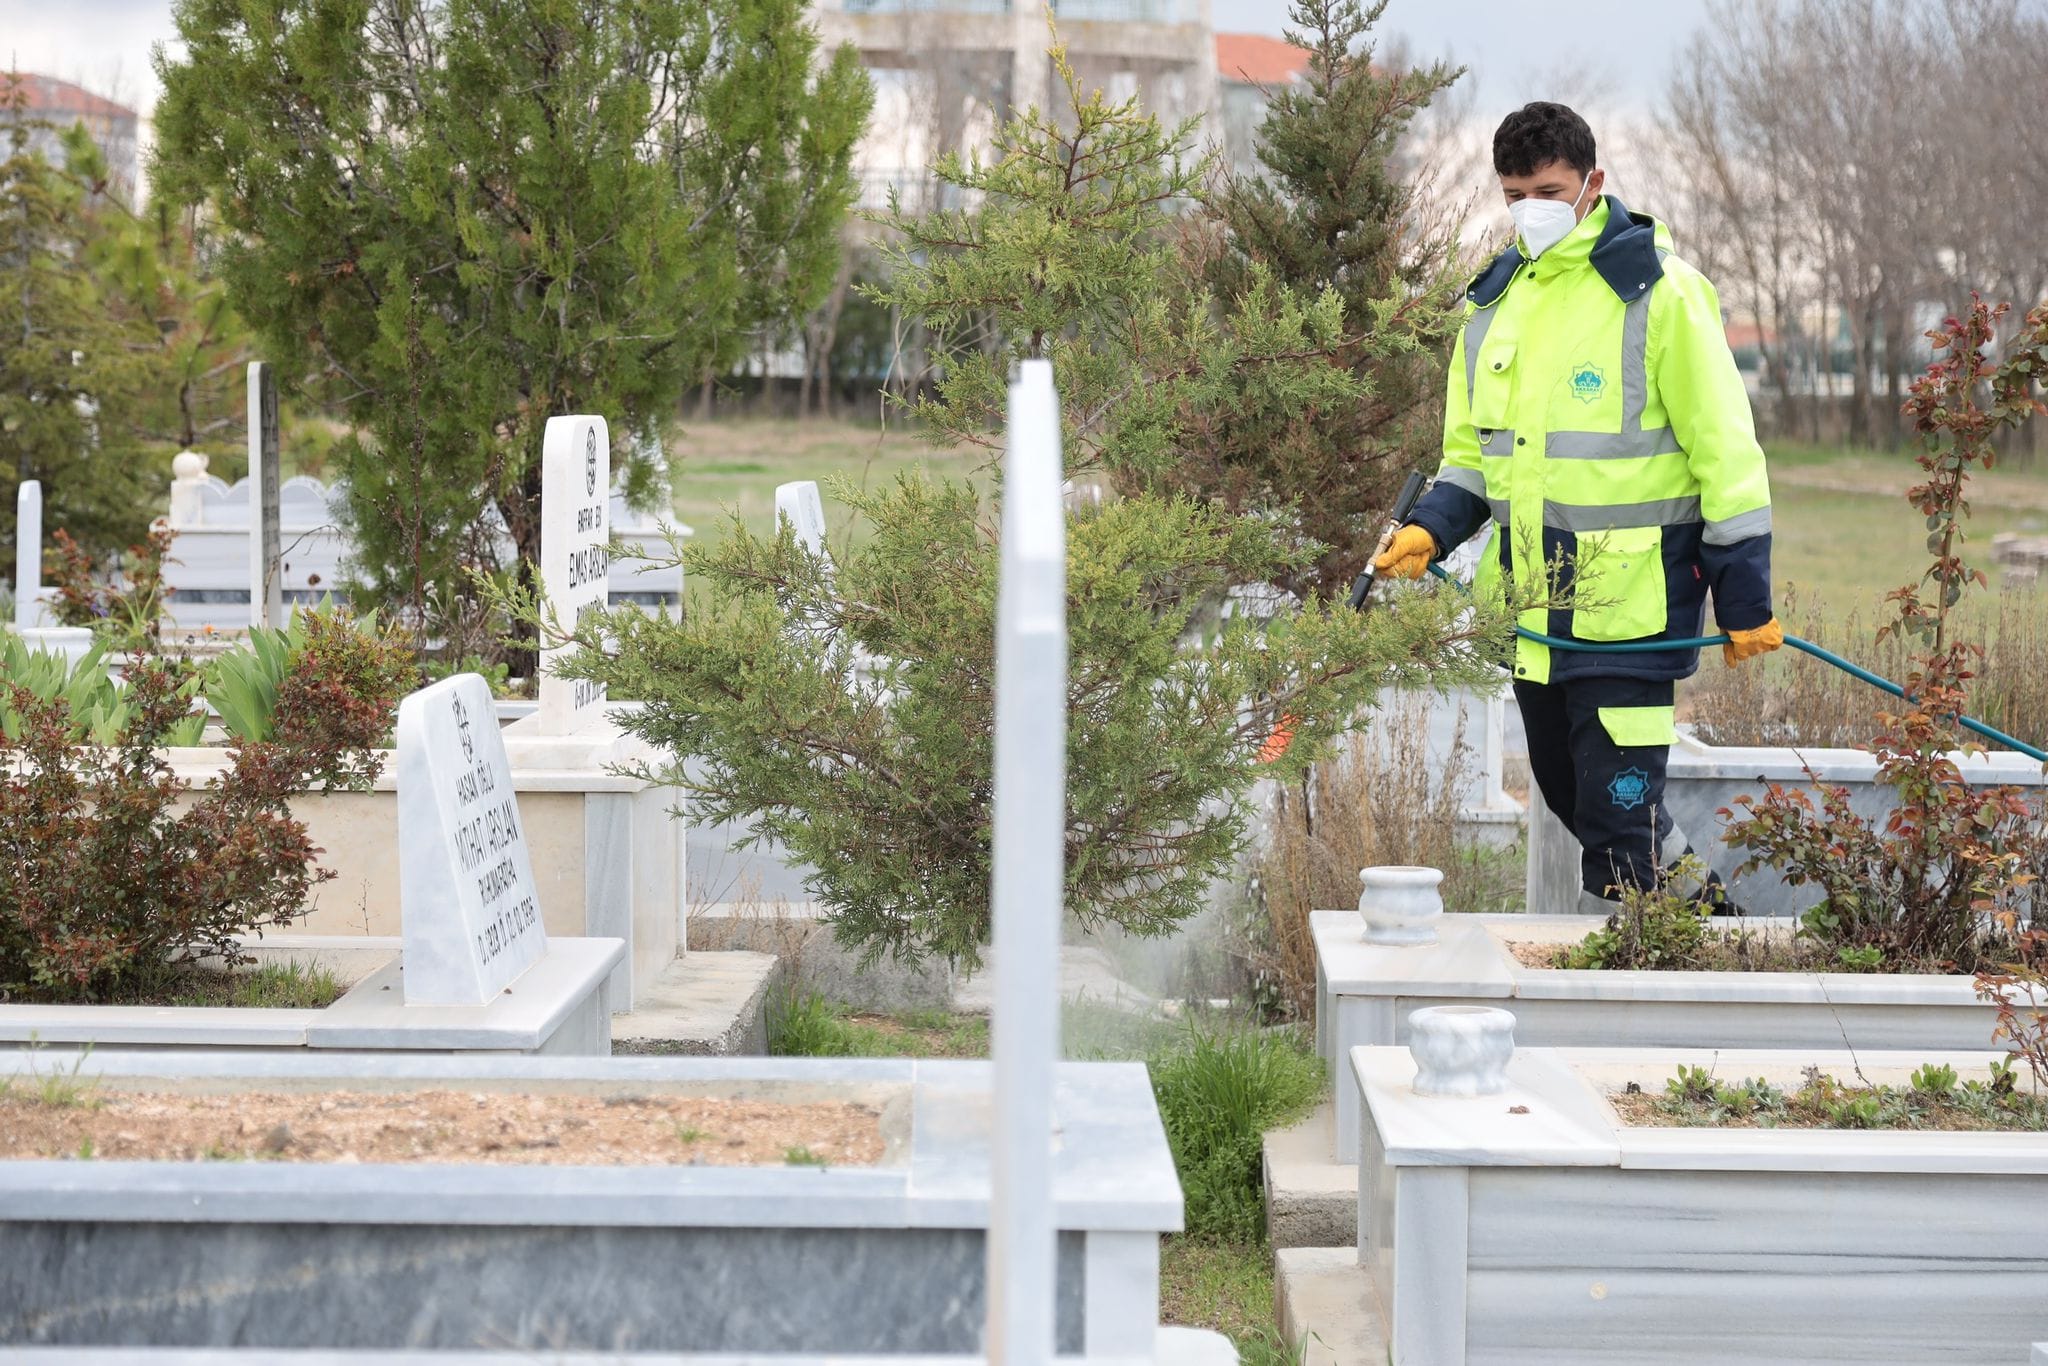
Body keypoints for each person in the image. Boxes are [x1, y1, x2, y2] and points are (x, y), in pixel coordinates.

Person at [1373, 101, 1780, 911]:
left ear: (1594, 183)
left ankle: (1687, 973)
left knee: (1621, 829)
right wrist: (1429, 529)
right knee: (1578, 805)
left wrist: (1745, 600)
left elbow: (1727, 456)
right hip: (1532, 617)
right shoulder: (1491, 308)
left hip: (1631, 611)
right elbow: (1473, 462)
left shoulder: (1661, 295)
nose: (1533, 211)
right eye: (1515, 195)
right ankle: (1721, 936)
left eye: (1550, 191)